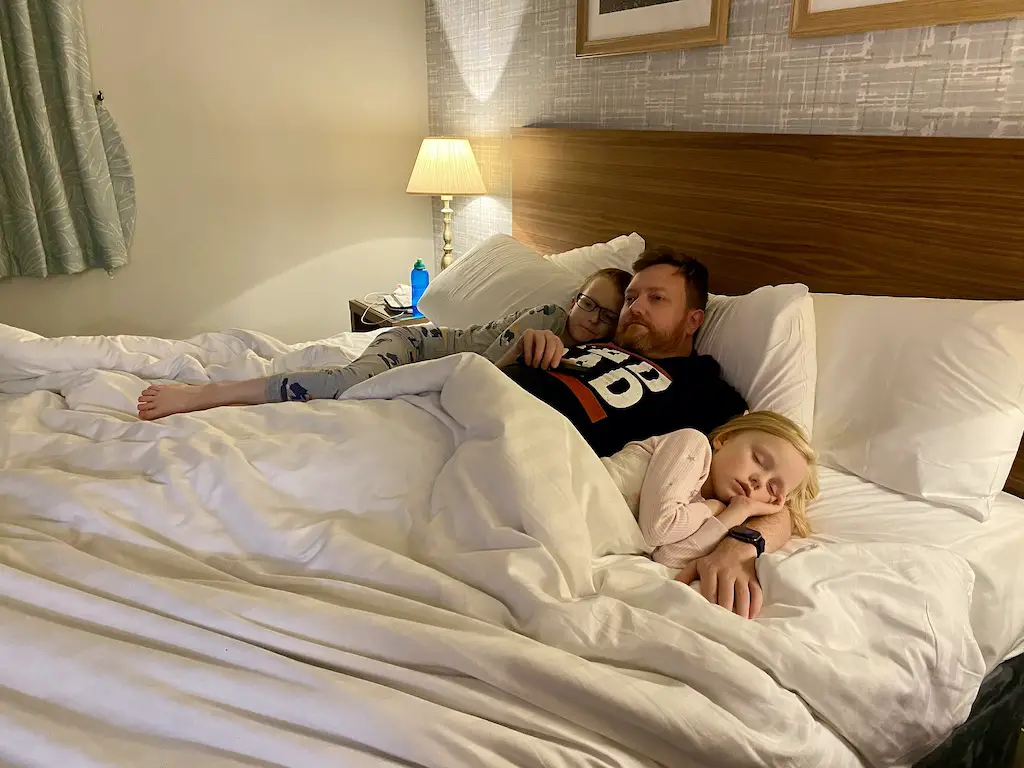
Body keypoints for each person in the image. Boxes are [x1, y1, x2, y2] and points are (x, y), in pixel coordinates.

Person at [501, 246, 788, 619]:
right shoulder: (586, 341)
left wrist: (742, 545)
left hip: (526, 454)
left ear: (692, 320)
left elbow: (784, 497)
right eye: (631, 298)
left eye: (656, 299)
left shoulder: (708, 392)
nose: (635, 308)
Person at [136, 268, 631, 421]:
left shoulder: (598, 356)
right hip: (419, 344)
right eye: (589, 304)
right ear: (574, 298)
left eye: (608, 314)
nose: (594, 319)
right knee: (341, 384)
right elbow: (486, 371)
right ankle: (204, 395)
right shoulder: (547, 319)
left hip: (430, 359)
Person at [602, 411, 818, 573]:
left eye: (772, 488)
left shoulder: (715, 515)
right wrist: (714, 508)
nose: (758, 481)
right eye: (759, 460)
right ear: (724, 439)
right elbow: (657, 530)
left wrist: (737, 512)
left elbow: (667, 558)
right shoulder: (692, 444)